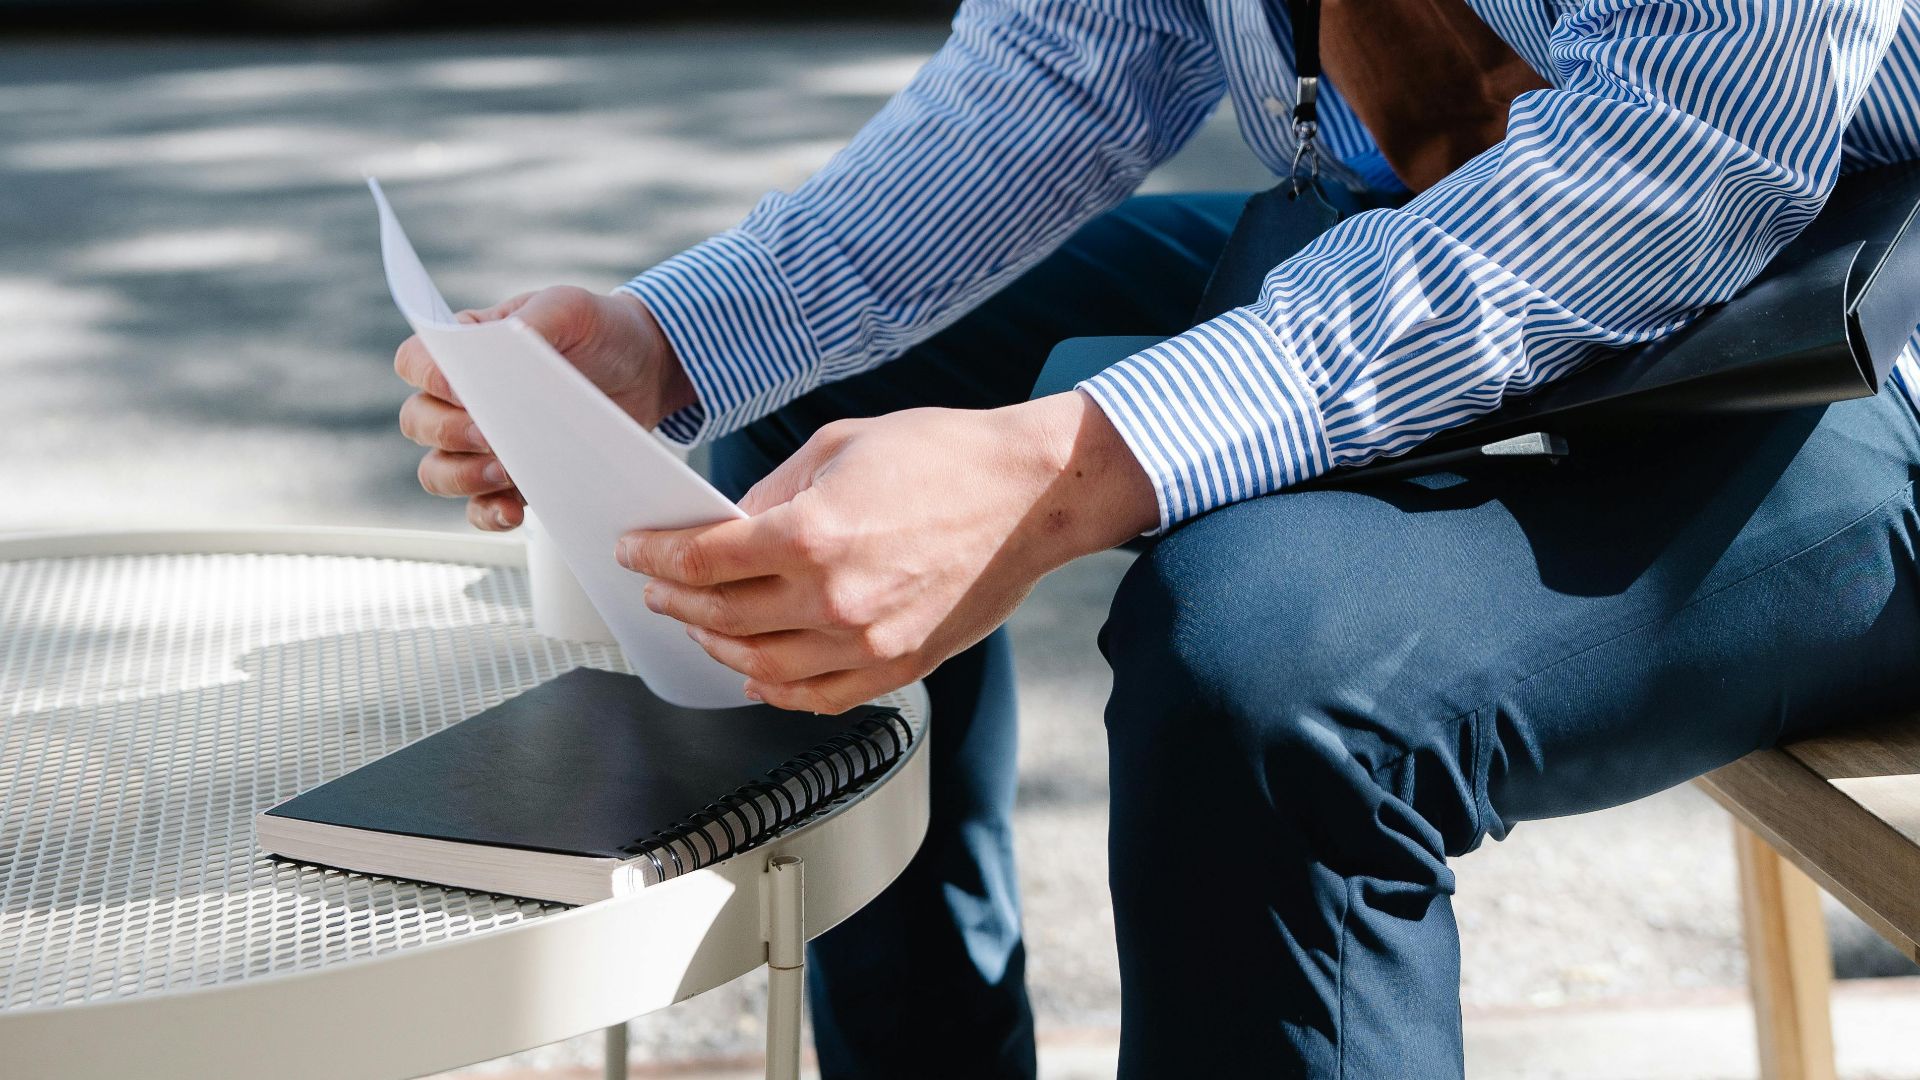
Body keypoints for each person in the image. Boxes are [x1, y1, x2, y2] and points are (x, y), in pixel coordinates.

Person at [393, 1, 1920, 1075]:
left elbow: (1680, 158)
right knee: (840, 387)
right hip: (1417, 236)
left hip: (1843, 319)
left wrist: (1066, 468)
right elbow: (1062, 64)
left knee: (1272, 663)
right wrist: (670, 341)